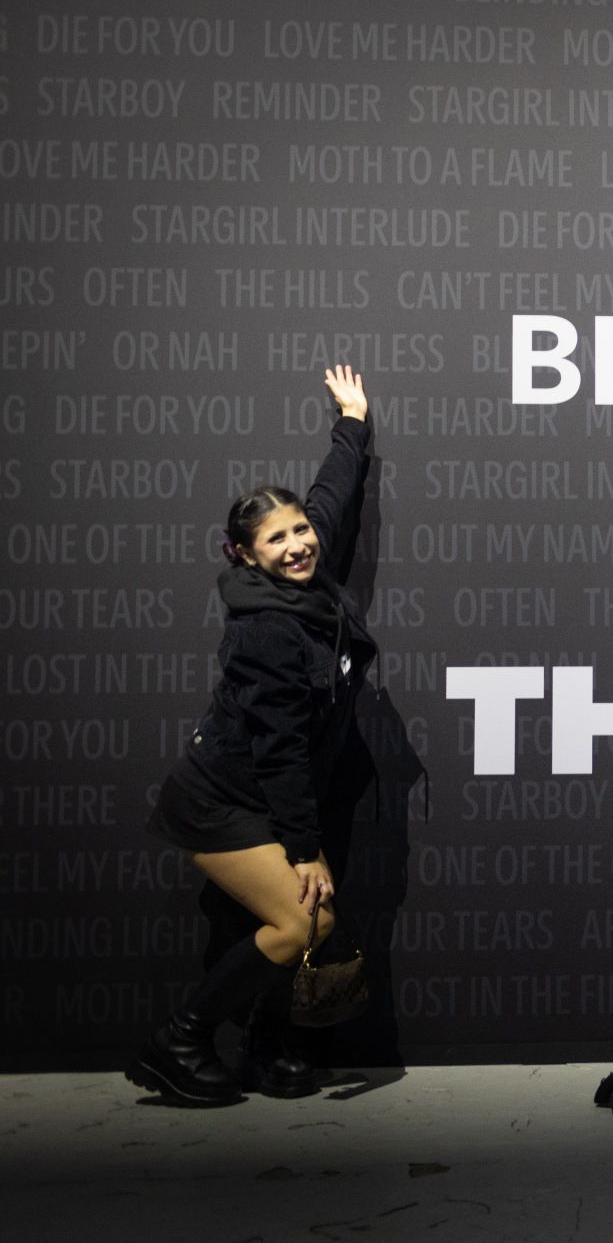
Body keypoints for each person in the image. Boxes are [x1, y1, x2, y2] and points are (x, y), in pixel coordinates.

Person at [128, 365, 378, 1104]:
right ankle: (178, 1040)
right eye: (278, 540)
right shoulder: (267, 627)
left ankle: (267, 1052)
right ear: (243, 553)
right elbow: (279, 749)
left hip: (262, 799)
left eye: (300, 531)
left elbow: (333, 498)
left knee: (292, 920)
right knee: (309, 918)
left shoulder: (300, 577)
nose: (300, 545)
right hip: (222, 800)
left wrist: (354, 423)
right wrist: (305, 848)